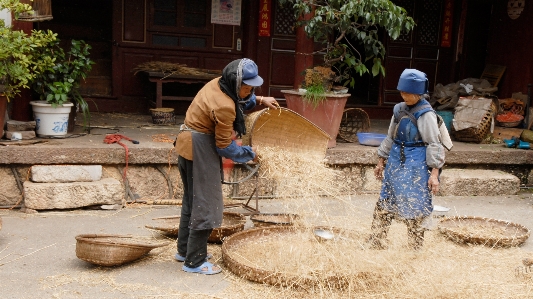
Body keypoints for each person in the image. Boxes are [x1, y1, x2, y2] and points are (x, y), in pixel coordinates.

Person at [173, 58, 279, 274]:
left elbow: (239, 99)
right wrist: (250, 154)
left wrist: (259, 99)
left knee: (192, 201)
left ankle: (185, 250)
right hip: (199, 149)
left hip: (187, 143)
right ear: (235, 82)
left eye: (252, 87)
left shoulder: (219, 84)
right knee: (206, 204)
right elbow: (224, 146)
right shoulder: (224, 106)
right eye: (246, 87)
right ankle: (194, 262)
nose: (248, 91)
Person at [367, 69, 445, 250]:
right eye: (402, 92)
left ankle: (415, 247)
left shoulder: (426, 114)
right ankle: (377, 240)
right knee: (385, 199)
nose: (404, 96)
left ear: (419, 93)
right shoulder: (399, 109)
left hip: (415, 164)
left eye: (408, 93)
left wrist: (434, 174)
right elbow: (390, 137)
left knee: (415, 203)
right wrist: (381, 161)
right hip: (395, 160)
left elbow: (434, 144)